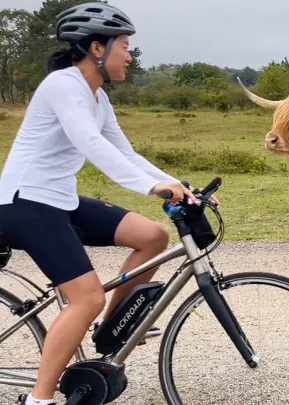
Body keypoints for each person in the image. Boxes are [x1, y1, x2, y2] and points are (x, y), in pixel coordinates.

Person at [0, 3, 200, 405]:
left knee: (152, 236)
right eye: (124, 44)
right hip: (24, 202)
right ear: (96, 48)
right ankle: (38, 401)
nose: (130, 54)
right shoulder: (63, 85)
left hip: (61, 199)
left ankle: (111, 329)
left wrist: (173, 182)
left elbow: (123, 151)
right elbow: (90, 145)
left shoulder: (98, 98)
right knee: (86, 297)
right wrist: (152, 189)